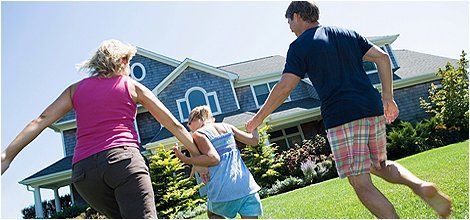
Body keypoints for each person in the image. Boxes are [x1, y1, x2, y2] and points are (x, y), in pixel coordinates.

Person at [245, 1, 452, 218]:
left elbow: (285, 87)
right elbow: (382, 57)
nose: (289, 27)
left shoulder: (299, 46)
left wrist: (258, 119)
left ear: (296, 16)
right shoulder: (347, 33)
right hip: (370, 107)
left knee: (360, 182)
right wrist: (388, 97)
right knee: (378, 165)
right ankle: (419, 185)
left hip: (342, 115)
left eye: (289, 21)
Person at [1, 39, 207, 218]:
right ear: (122, 60)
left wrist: (6, 156)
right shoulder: (131, 85)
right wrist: (198, 158)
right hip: (123, 162)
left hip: (84, 174)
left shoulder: (75, 90)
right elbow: (172, 124)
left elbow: (41, 120)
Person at [173, 106, 263, 219]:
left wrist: (186, 160)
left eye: (189, 123)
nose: (189, 127)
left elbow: (214, 158)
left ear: (198, 119)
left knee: (213, 214)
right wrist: (253, 126)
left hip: (222, 191)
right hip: (247, 187)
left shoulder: (199, 134)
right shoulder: (227, 126)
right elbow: (254, 141)